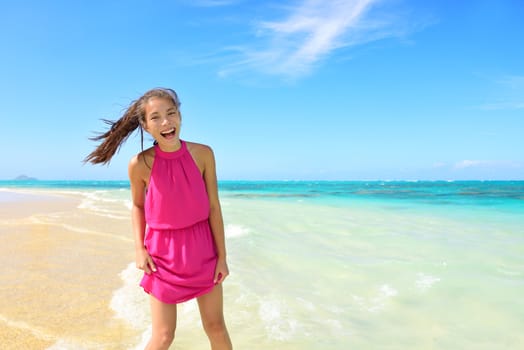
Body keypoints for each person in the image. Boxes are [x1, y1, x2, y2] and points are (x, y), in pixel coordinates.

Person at [85, 87, 232, 350]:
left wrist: (222, 256)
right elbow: (138, 207)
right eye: (155, 117)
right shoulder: (139, 164)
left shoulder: (203, 154)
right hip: (162, 254)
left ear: (180, 116)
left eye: (171, 113)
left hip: (203, 250)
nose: (166, 122)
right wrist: (140, 249)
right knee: (164, 336)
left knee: (216, 327)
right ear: (145, 125)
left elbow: (213, 207)